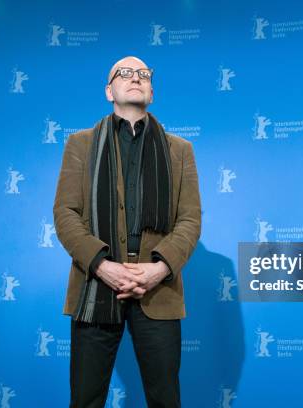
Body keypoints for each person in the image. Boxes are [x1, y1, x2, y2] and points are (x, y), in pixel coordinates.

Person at [53, 55, 201, 408]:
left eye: (144, 74)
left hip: (157, 290)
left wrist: (159, 269)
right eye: (125, 73)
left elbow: (190, 219)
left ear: (151, 92)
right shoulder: (80, 144)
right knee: (85, 399)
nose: (135, 78)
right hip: (95, 287)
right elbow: (65, 213)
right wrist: (104, 266)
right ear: (109, 90)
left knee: (166, 400)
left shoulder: (180, 150)